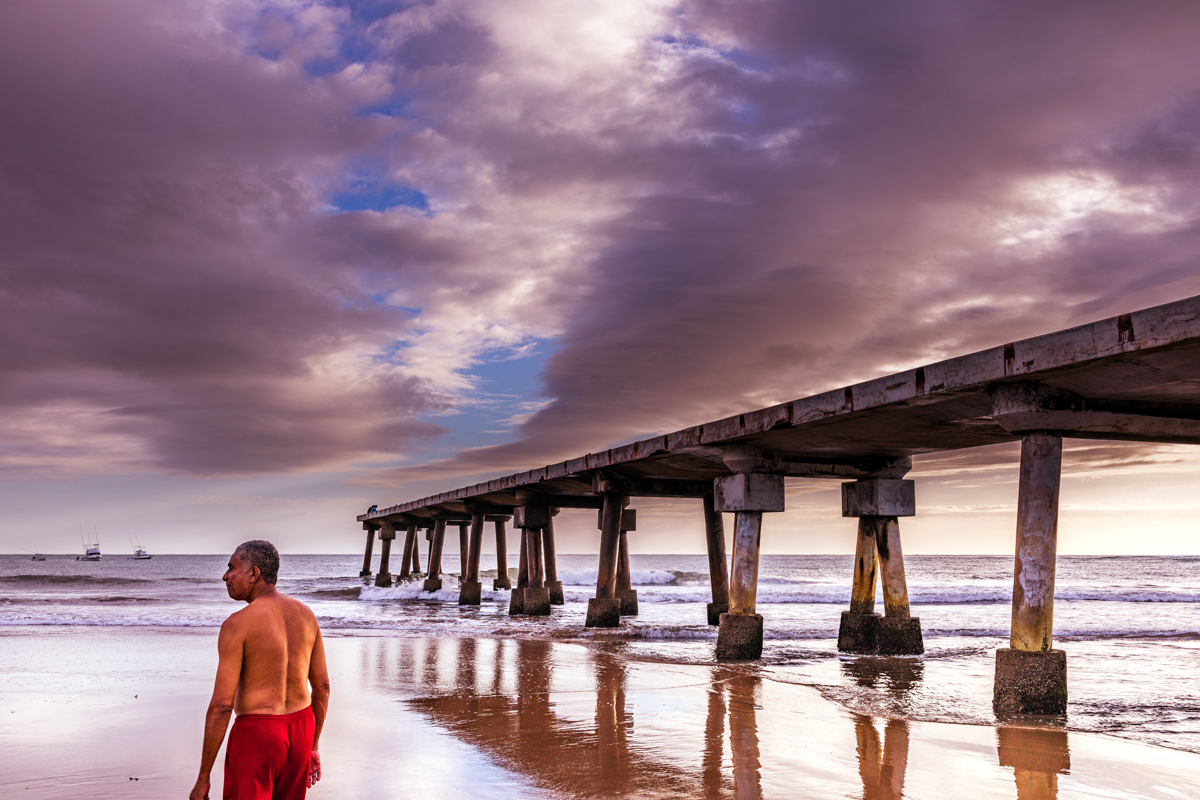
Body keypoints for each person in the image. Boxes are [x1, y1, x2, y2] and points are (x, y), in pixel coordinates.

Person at [190, 540, 330, 800]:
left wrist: (202, 779)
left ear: (253, 574)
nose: (225, 576)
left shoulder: (237, 625)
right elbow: (322, 687)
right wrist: (313, 745)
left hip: (258, 735)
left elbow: (221, 705)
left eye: (232, 567)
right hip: (301, 727)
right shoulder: (306, 615)